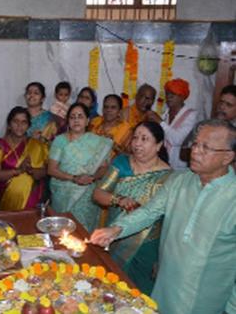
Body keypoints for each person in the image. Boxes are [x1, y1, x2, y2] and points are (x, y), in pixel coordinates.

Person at [90, 119, 236, 314]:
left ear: (227, 157)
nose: (195, 150)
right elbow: (149, 211)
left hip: (206, 300)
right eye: (195, 143)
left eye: (205, 147)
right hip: (164, 289)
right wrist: (116, 229)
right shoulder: (180, 180)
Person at [93, 121, 171, 294]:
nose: (137, 143)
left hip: (147, 245)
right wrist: (118, 199)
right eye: (135, 137)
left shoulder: (168, 177)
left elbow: (170, 221)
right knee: (110, 286)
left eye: (144, 139)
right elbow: (98, 193)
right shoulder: (122, 163)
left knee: (138, 293)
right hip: (115, 237)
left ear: (158, 145)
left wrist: (162, 258)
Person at [48, 103, 112, 232]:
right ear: (68, 121)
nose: (76, 120)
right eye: (72, 117)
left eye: (80, 116)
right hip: (63, 194)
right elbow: (51, 169)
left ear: (87, 120)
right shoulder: (60, 141)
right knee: (63, 233)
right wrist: (74, 178)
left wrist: (91, 178)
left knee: (84, 234)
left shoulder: (98, 142)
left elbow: (104, 168)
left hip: (87, 194)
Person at [0, 106, 48, 211]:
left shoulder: (38, 145)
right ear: (9, 125)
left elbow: (46, 171)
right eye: (15, 121)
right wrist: (18, 170)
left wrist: (32, 170)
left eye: (24, 122)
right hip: (6, 203)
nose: (19, 125)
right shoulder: (0, 146)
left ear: (28, 125)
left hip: (32, 203)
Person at [146, 78, 197, 170]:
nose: (168, 97)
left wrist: (160, 122)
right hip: (161, 164)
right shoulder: (165, 114)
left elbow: (177, 140)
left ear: (182, 97)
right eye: (167, 93)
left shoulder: (191, 115)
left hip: (179, 168)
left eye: (173, 94)